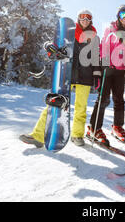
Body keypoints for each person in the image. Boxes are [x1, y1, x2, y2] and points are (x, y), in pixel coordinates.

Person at [19, 9, 101, 148]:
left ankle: (77, 135)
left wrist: (97, 76)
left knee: (81, 108)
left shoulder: (94, 38)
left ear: (91, 20)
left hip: (85, 77)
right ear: (78, 19)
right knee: (54, 102)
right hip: (68, 74)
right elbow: (56, 47)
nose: (85, 20)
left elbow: (96, 60)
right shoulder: (70, 34)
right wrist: (49, 47)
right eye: (82, 17)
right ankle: (38, 136)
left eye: (88, 18)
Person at [86, 5, 125, 145]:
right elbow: (104, 45)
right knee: (103, 98)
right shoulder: (110, 28)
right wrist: (105, 61)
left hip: (120, 70)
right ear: (118, 16)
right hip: (107, 68)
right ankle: (94, 128)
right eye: (122, 14)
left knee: (119, 99)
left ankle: (117, 126)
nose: (124, 17)